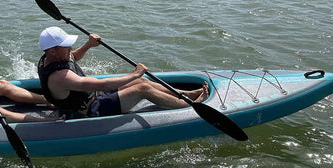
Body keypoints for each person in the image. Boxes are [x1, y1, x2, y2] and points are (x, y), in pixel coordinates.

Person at [37, 26, 209, 118]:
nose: (70, 47)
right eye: (66, 45)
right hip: (92, 109)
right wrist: (135, 74)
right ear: (52, 50)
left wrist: (88, 45)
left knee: (143, 82)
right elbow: (100, 83)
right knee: (142, 88)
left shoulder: (52, 58)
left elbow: (73, 57)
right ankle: (189, 106)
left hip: (97, 95)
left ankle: (186, 94)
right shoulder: (60, 77)